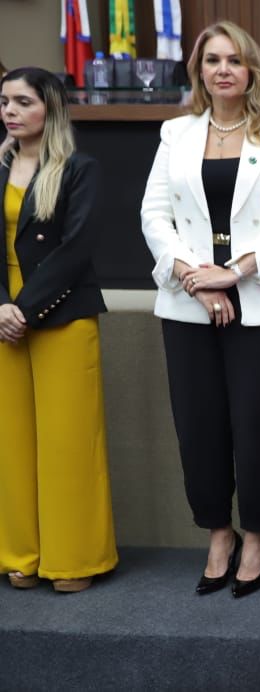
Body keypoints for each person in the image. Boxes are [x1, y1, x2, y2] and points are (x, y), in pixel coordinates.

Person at [140, 20, 260, 598]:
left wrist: (232, 272)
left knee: (258, 426)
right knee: (199, 426)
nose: (222, 70)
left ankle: (257, 533)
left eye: (234, 60)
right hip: (189, 303)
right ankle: (219, 531)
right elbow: (154, 217)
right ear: (199, 70)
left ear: (251, 70)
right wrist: (196, 279)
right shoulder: (175, 133)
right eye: (212, 60)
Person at [0, 67, 118, 593]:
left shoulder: (78, 168)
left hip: (60, 313)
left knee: (69, 444)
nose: (10, 111)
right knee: (12, 442)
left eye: (22, 102)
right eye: (4, 101)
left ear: (50, 108)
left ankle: (72, 560)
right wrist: (1, 307)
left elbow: (76, 249)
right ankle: (20, 554)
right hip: (4, 317)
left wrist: (23, 310)